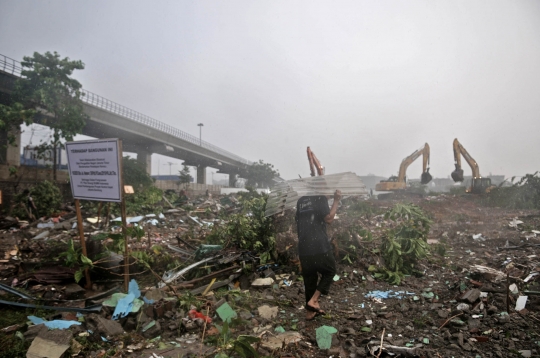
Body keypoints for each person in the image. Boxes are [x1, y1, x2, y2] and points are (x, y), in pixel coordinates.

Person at [296, 189, 342, 320]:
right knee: (330, 271)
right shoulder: (319, 198)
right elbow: (329, 218)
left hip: (304, 247)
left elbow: (299, 222)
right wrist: (336, 201)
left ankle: (310, 312)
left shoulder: (301, 201)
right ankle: (314, 300)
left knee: (310, 278)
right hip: (319, 246)